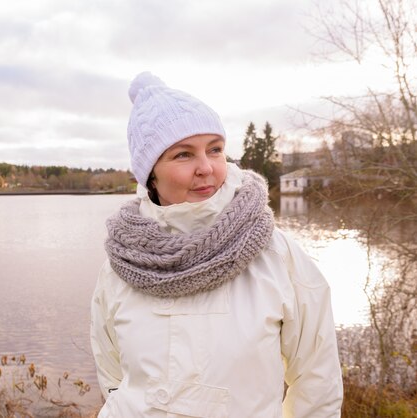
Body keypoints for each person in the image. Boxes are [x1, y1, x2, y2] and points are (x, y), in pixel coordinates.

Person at [89, 72, 343, 417]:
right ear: (150, 173)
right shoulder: (122, 264)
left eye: (215, 149)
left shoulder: (274, 253)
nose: (206, 168)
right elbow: (112, 374)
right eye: (183, 155)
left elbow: (317, 378)